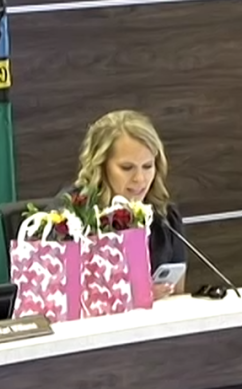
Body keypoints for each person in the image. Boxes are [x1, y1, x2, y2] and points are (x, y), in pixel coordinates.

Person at [72, 110, 186, 300]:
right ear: (100, 165)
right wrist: (130, 298)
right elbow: (62, 301)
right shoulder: (69, 218)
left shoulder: (165, 217)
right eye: (127, 168)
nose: (140, 179)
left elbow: (177, 297)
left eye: (148, 166)